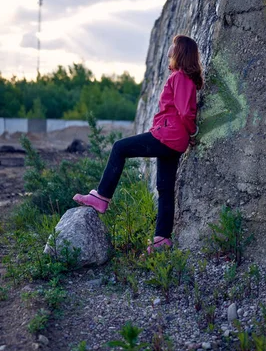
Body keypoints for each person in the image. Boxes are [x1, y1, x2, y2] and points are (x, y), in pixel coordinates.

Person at [73, 34, 203, 254]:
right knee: (165, 188)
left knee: (119, 148)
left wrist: (192, 133)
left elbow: (185, 112)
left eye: (173, 47)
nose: (169, 51)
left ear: (180, 52)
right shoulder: (181, 78)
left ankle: (101, 197)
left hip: (168, 136)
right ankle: (162, 238)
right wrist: (188, 136)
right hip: (173, 139)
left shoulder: (179, 77)